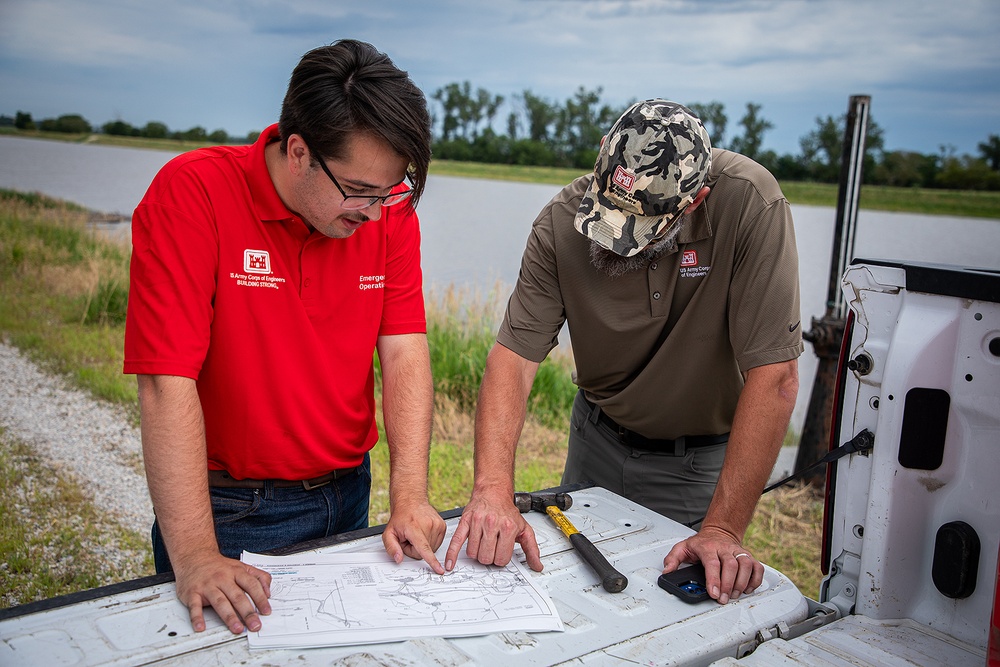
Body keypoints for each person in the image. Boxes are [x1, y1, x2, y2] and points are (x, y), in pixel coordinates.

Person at [124, 40, 446, 635]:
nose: (375, 214)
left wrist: (410, 494)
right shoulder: (192, 194)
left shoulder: (387, 211)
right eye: (359, 191)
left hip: (349, 493)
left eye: (390, 191)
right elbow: (165, 381)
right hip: (231, 510)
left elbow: (404, 350)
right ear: (298, 151)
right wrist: (195, 553)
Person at [445, 99, 802, 605]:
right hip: (596, 441)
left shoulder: (750, 204)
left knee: (667, 612)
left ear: (694, 201)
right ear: (601, 160)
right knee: (574, 596)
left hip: (697, 461)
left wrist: (723, 529)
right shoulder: (559, 223)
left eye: (636, 228)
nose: (613, 239)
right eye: (608, 212)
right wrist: (492, 490)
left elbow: (776, 376)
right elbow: (514, 360)